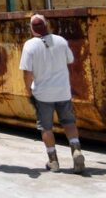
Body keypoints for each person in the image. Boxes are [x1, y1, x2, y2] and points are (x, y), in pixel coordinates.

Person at [19, 14, 85, 174]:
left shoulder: (29, 45)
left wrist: (28, 90)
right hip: (63, 91)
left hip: (42, 94)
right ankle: (76, 150)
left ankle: (53, 161)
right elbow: (70, 60)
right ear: (46, 24)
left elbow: (27, 72)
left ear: (31, 29)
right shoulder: (61, 41)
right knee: (69, 122)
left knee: (46, 127)